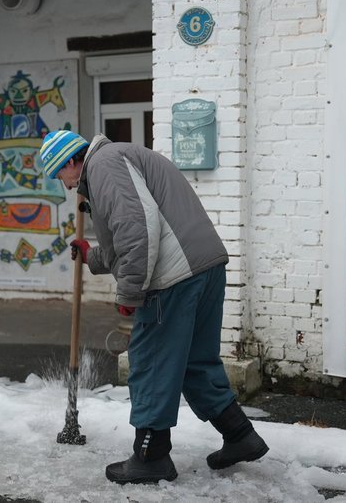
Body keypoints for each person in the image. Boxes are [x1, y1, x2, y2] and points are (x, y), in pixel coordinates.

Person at [39, 130, 268, 484]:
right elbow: (132, 233)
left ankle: (151, 456)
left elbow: (137, 227)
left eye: (60, 175)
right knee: (194, 361)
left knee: (151, 363)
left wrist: (129, 294)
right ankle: (240, 435)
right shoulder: (120, 158)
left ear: (71, 161)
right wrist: (92, 256)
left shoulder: (103, 164)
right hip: (204, 268)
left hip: (172, 278)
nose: (65, 185)